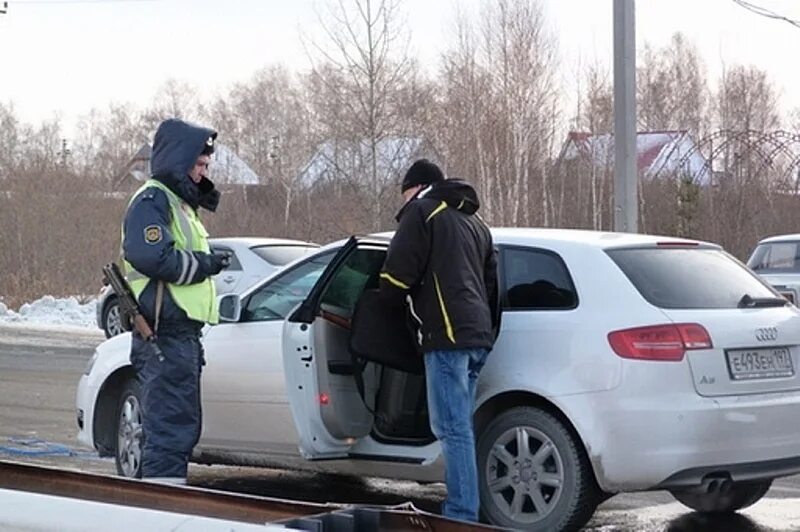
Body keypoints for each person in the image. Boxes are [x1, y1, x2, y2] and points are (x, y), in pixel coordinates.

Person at [378, 158, 499, 521]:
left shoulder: (422, 212)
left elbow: (398, 273)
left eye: (405, 194)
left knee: (452, 428)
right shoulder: (475, 222)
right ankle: (467, 507)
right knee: (462, 426)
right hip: (478, 335)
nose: (404, 203)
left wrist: (384, 298)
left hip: (447, 336)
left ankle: (461, 514)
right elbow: (491, 284)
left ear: (416, 188)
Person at [121, 118, 230, 484]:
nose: (202, 173)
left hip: (179, 335)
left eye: (206, 166)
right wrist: (205, 265)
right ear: (180, 160)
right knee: (170, 429)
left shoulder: (180, 204)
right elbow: (153, 257)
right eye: (198, 165)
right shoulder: (154, 200)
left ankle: (163, 501)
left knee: (178, 426)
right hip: (163, 334)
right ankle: (161, 509)